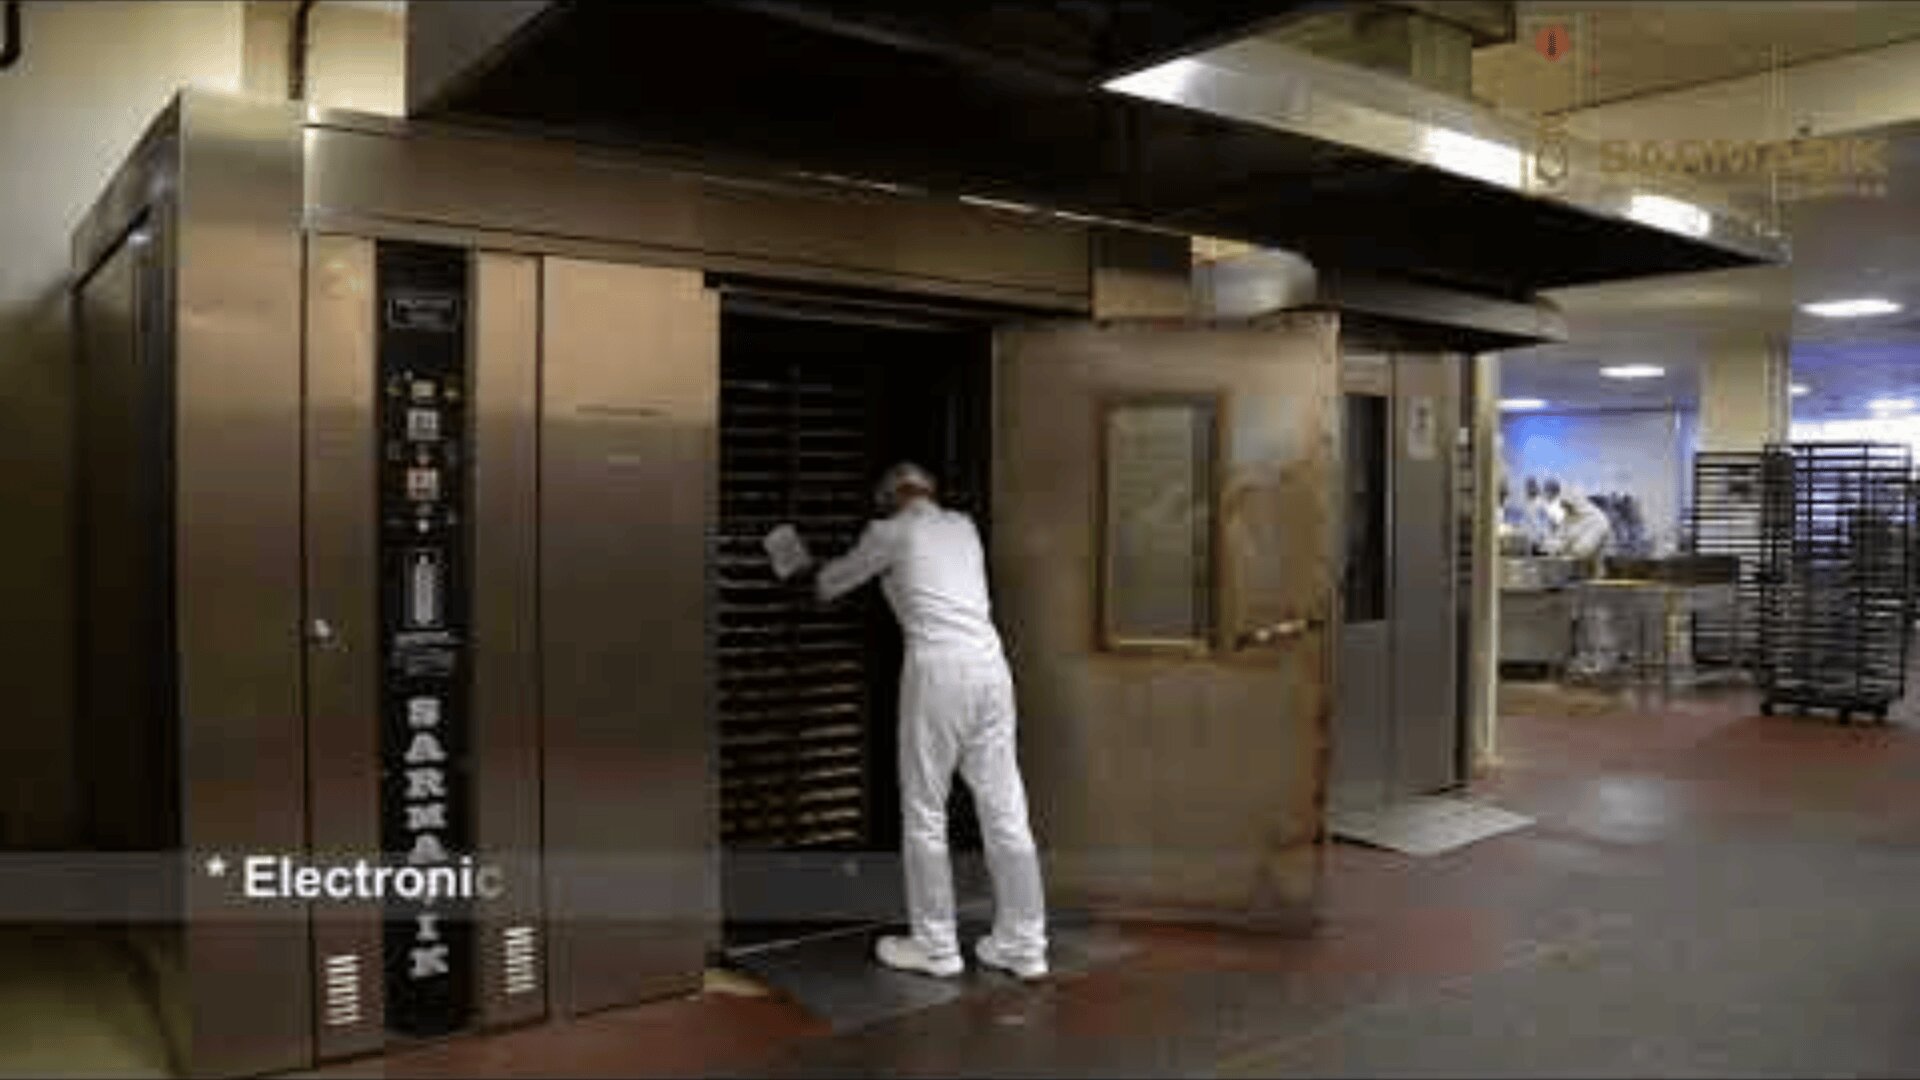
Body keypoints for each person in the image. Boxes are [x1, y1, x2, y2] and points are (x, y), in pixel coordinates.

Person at [797, 462, 1049, 981]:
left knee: (925, 810)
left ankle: (936, 947)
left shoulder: (888, 531)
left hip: (937, 673)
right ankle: (1025, 946)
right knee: (1005, 809)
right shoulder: (964, 527)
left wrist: (794, 559)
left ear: (889, 498)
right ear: (929, 492)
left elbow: (827, 585)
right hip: (991, 668)